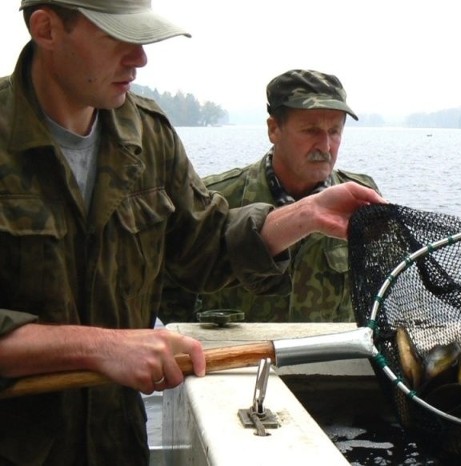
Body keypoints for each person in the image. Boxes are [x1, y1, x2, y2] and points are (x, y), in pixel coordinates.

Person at [0, 2, 385, 465]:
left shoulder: (149, 135)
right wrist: (100, 346)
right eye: (117, 37)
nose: (140, 58)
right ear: (47, 28)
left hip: (118, 445)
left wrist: (306, 214)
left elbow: (206, 249)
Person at [159, 69, 380, 324]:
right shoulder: (216, 199)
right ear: (274, 129)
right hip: (238, 361)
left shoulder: (363, 201)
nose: (325, 146)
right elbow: (169, 287)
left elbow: (380, 289)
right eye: (311, 131)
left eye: (334, 131)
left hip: (332, 361)